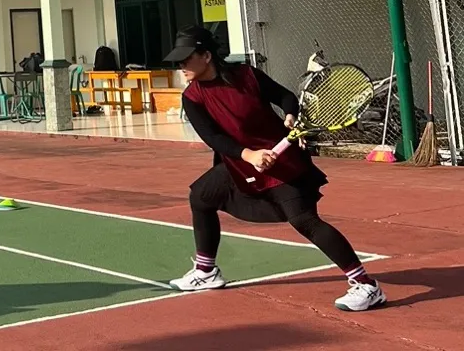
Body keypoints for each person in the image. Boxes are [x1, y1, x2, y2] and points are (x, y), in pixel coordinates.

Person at [165, 25, 385, 312]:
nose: (180, 66)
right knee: (201, 196)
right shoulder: (192, 97)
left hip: (284, 163)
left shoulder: (247, 76)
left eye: (185, 58)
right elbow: (213, 137)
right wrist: (249, 155)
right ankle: (206, 272)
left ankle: (366, 285)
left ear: (206, 56)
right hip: (241, 162)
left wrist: (291, 115)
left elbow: (285, 96)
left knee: (304, 220)